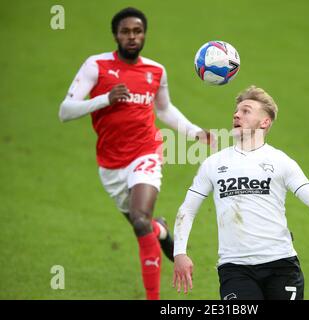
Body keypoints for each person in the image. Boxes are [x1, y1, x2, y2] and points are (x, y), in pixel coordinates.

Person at [58, 7, 213, 300]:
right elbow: (65, 111)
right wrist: (105, 99)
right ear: (116, 34)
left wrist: (195, 132)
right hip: (110, 164)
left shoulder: (156, 71)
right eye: (126, 32)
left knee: (140, 220)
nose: (132, 37)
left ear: (144, 35)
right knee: (146, 227)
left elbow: (164, 109)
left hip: (146, 153)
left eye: (137, 31)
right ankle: (162, 231)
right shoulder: (96, 65)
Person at [172, 85, 309, 300]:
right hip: (235, 268)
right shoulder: (213, 164)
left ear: (265, 122)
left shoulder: (281, 161)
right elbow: (188, 208)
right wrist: (179, 252)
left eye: (246, 110)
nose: (236, 114)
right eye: (236, 110)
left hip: (281, 265)